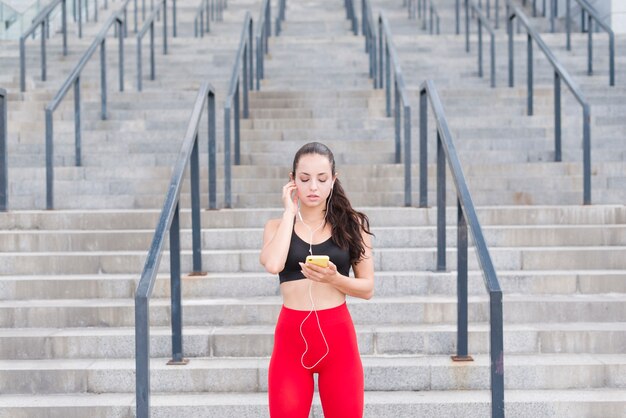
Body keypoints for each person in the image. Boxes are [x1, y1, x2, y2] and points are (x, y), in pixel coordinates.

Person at [260, 142, 375, 418]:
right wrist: (289, 212)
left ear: (333, 180)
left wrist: (335, 279)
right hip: (291, 341)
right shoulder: (276, 226)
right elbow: (274, 264)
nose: (313, 187)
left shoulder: (353, 226)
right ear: (292, 181)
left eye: (322, 179)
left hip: (338, 341)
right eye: (304, 179)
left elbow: (367, 288)